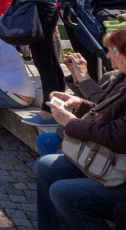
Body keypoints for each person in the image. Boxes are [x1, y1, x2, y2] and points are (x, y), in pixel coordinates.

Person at [35, 28, 126, 230]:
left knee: (62, 192)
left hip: (119, 170)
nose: (108, 55)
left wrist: (71, 122)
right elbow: (106, 110)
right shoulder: (121, 78)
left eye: (113, 50)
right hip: (108, 156)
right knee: (46, 164)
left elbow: (117, 135)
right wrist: (79, 104)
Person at [5, 0, 62, 127]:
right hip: (43, 7)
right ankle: (57, 107)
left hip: (38, 7)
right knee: (50, 61)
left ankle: (48, 112)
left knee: (43, 61)